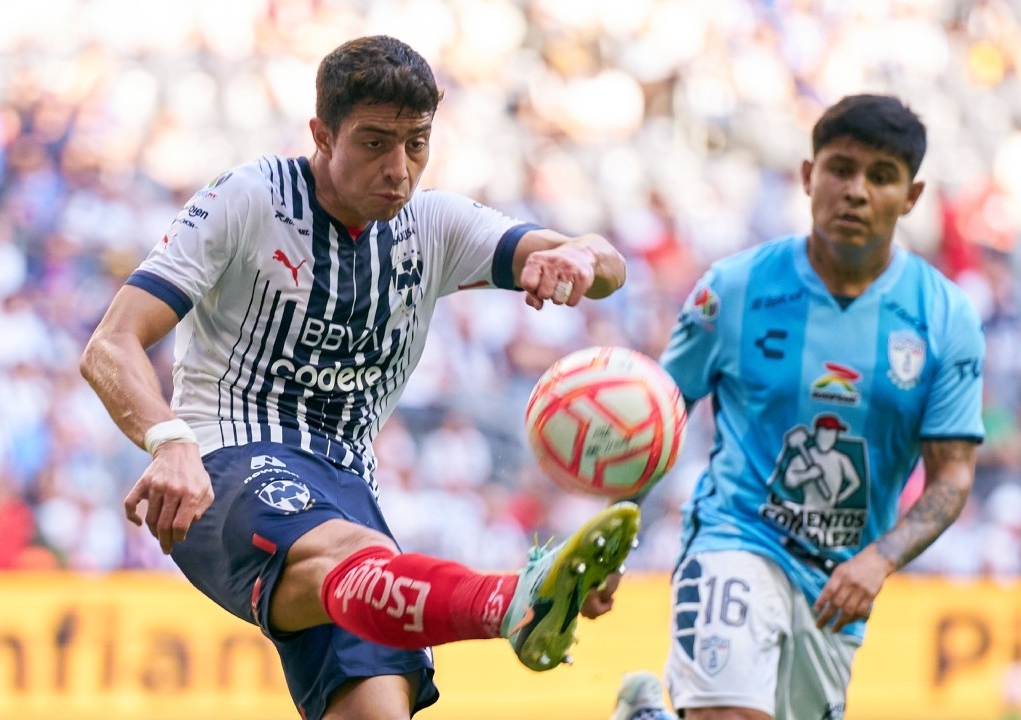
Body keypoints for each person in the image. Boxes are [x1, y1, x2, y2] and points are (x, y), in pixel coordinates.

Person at [79, 35, 640, 720]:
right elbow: (110, 344)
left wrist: (581, 258)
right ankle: (516, 602)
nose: (399, 169)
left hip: (349, 490)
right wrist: (169, 441)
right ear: (322, 134)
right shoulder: (247, 198)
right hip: (222, 467)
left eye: (416, 143)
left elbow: (609, 264)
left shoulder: (434, 225)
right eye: (374, 143)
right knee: (359, 553)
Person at [612, 94, 985, 720]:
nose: (857, 191)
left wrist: (879, 558)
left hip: (839, 582)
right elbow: (657, 421)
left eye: (882, 176)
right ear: (810, 176)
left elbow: (952, 478)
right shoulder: (733, 289)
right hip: (736, 535)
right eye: (841, 169)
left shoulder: (945, 318)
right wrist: (613, 544)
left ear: (911, 197)